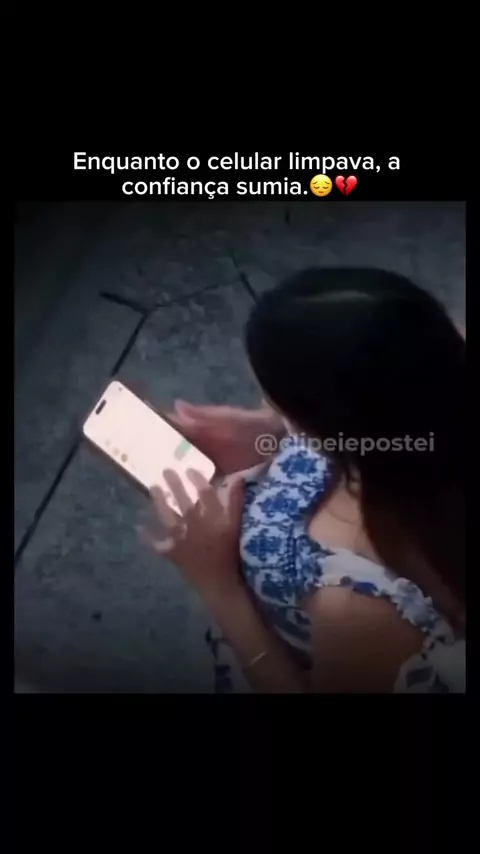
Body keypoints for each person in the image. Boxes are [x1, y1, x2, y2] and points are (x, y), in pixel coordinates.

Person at [140, 268, 465, 693]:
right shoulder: (444, 371)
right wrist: (273, 433)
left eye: (275, 402)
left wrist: (217, 585)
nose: (268, 407)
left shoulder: (361, 605)